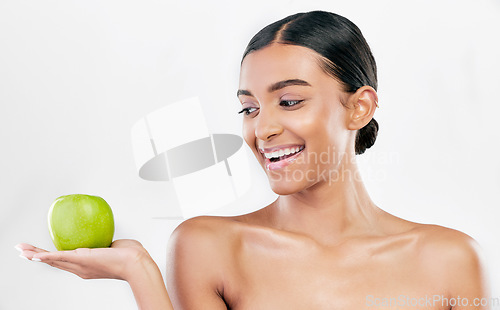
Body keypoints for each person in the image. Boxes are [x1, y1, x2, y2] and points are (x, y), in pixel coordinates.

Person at [16, 10, 489, 309]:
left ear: (359, 107)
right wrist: (138, 271)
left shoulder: (449, 261)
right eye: (249, 108)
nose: (261, 129)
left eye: (289, 102)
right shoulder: (211, 248)